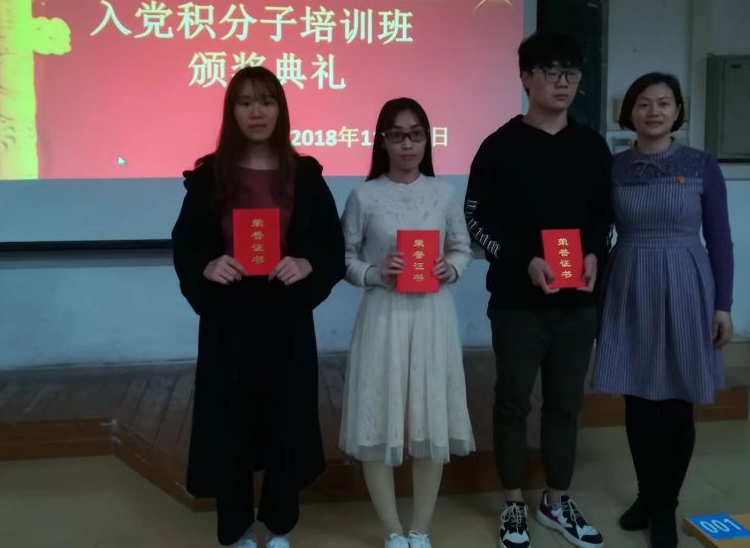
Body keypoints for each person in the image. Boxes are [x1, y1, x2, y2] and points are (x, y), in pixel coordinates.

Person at [171, 66, 346, 548]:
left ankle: (280, 526)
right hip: (228, 320)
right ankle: (236, 529)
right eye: (245, 102)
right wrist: (207, 265)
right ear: (232, 111)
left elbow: (331, 248)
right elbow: (186, 244)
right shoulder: (209, 176)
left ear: (280, 110)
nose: (256, 111)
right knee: (229, 423)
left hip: (286, 318)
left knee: (286, 422)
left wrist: (307, 263)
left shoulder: (304, 176)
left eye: (266, 101)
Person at [465, 32, 611, 548]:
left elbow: (607, 218)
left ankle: (556, 499)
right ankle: (512, 502)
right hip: (517, 304)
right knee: (513, 402)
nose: (562, 82)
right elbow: (475, 219)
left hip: (578, 303)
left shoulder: (592, 147)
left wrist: (594, 254)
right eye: (550, 72)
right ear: (526, 78)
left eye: (571, 72)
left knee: (566, 404)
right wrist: (521, 260)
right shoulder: (499, 146)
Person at [592, 73, 734, 548]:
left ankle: (665, 506)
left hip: (686, 284)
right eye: (643, 104)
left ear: (677, 112)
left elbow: (720, 239)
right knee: (636, 400)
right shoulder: (613, 167)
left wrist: (724, 305)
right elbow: (597, 231)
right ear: (629, 112)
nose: (654, 112)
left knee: (676, 402)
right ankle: (646, 494)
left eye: (664, 103)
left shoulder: (701, 164)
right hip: (629, 282)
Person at [340, 98, 475, 548]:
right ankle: (392, 531)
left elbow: (462, 247)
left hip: (432, 316)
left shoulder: (444, 193)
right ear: (382, 141)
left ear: (427, 139)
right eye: (397, 135)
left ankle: (420, 529)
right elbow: (345, 258)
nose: (407, 144)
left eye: (416, 134)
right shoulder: (364, 196)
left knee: (430, 418)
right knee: (378, 417)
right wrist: (376, 272)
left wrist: (451, 268)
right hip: (384, 316)